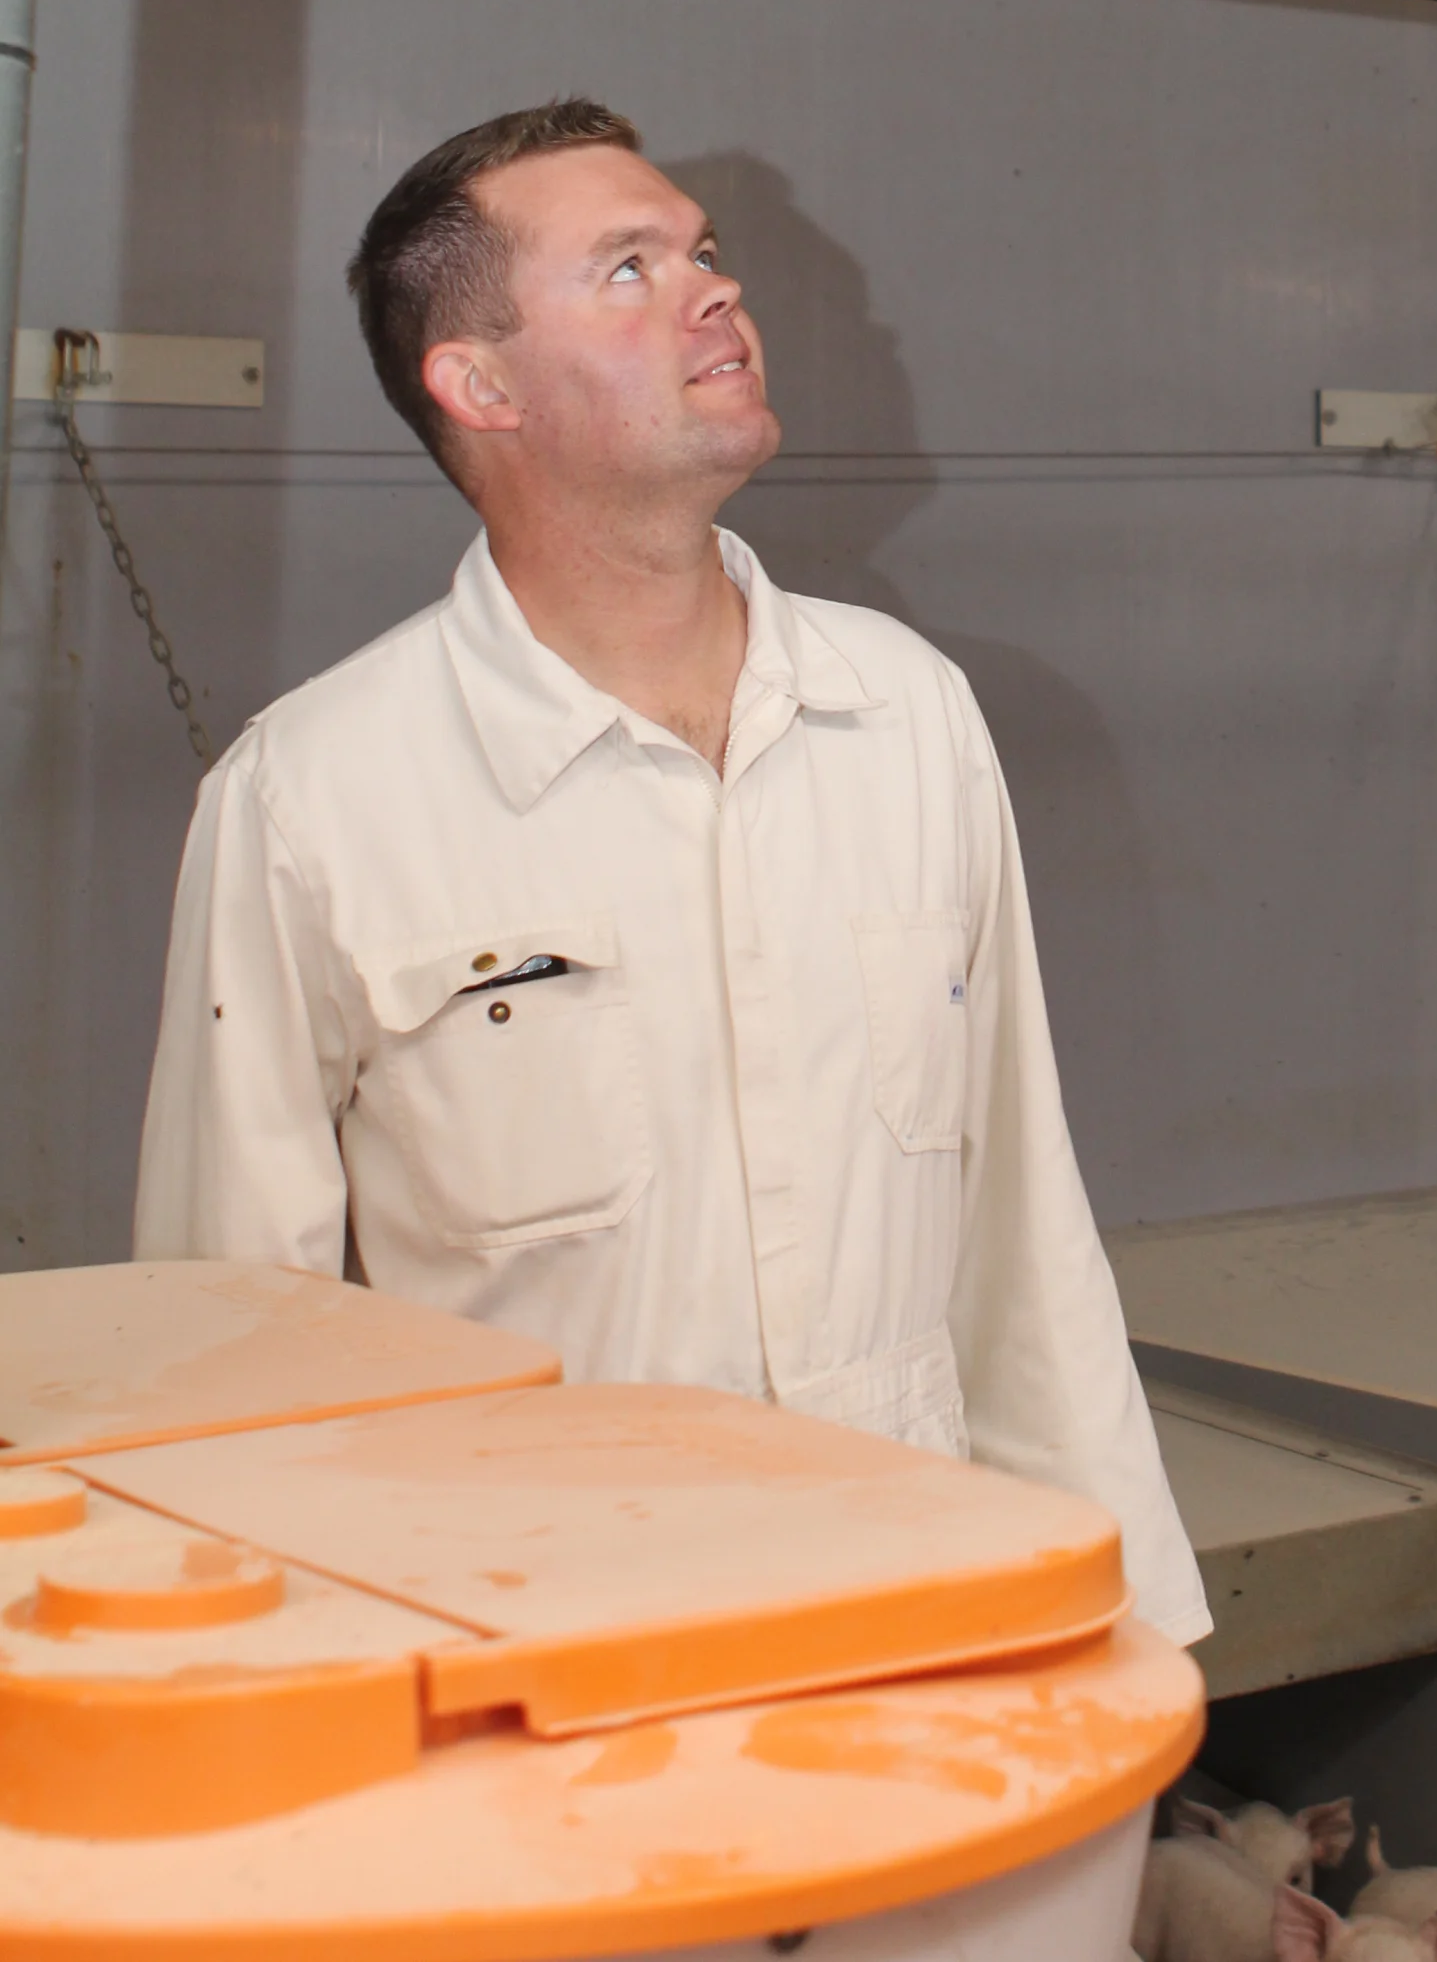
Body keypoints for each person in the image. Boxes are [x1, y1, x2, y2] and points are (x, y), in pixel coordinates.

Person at [134, 97, 1206, 1640]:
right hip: (548, 1672)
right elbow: (237, 1347)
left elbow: (1023, 1240)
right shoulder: (313, 800)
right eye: (629, 268)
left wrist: (1124, 1626)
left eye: (706, 252)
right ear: (479, 381)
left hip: (917, 1631)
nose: (717, 290)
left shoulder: (905, 713)